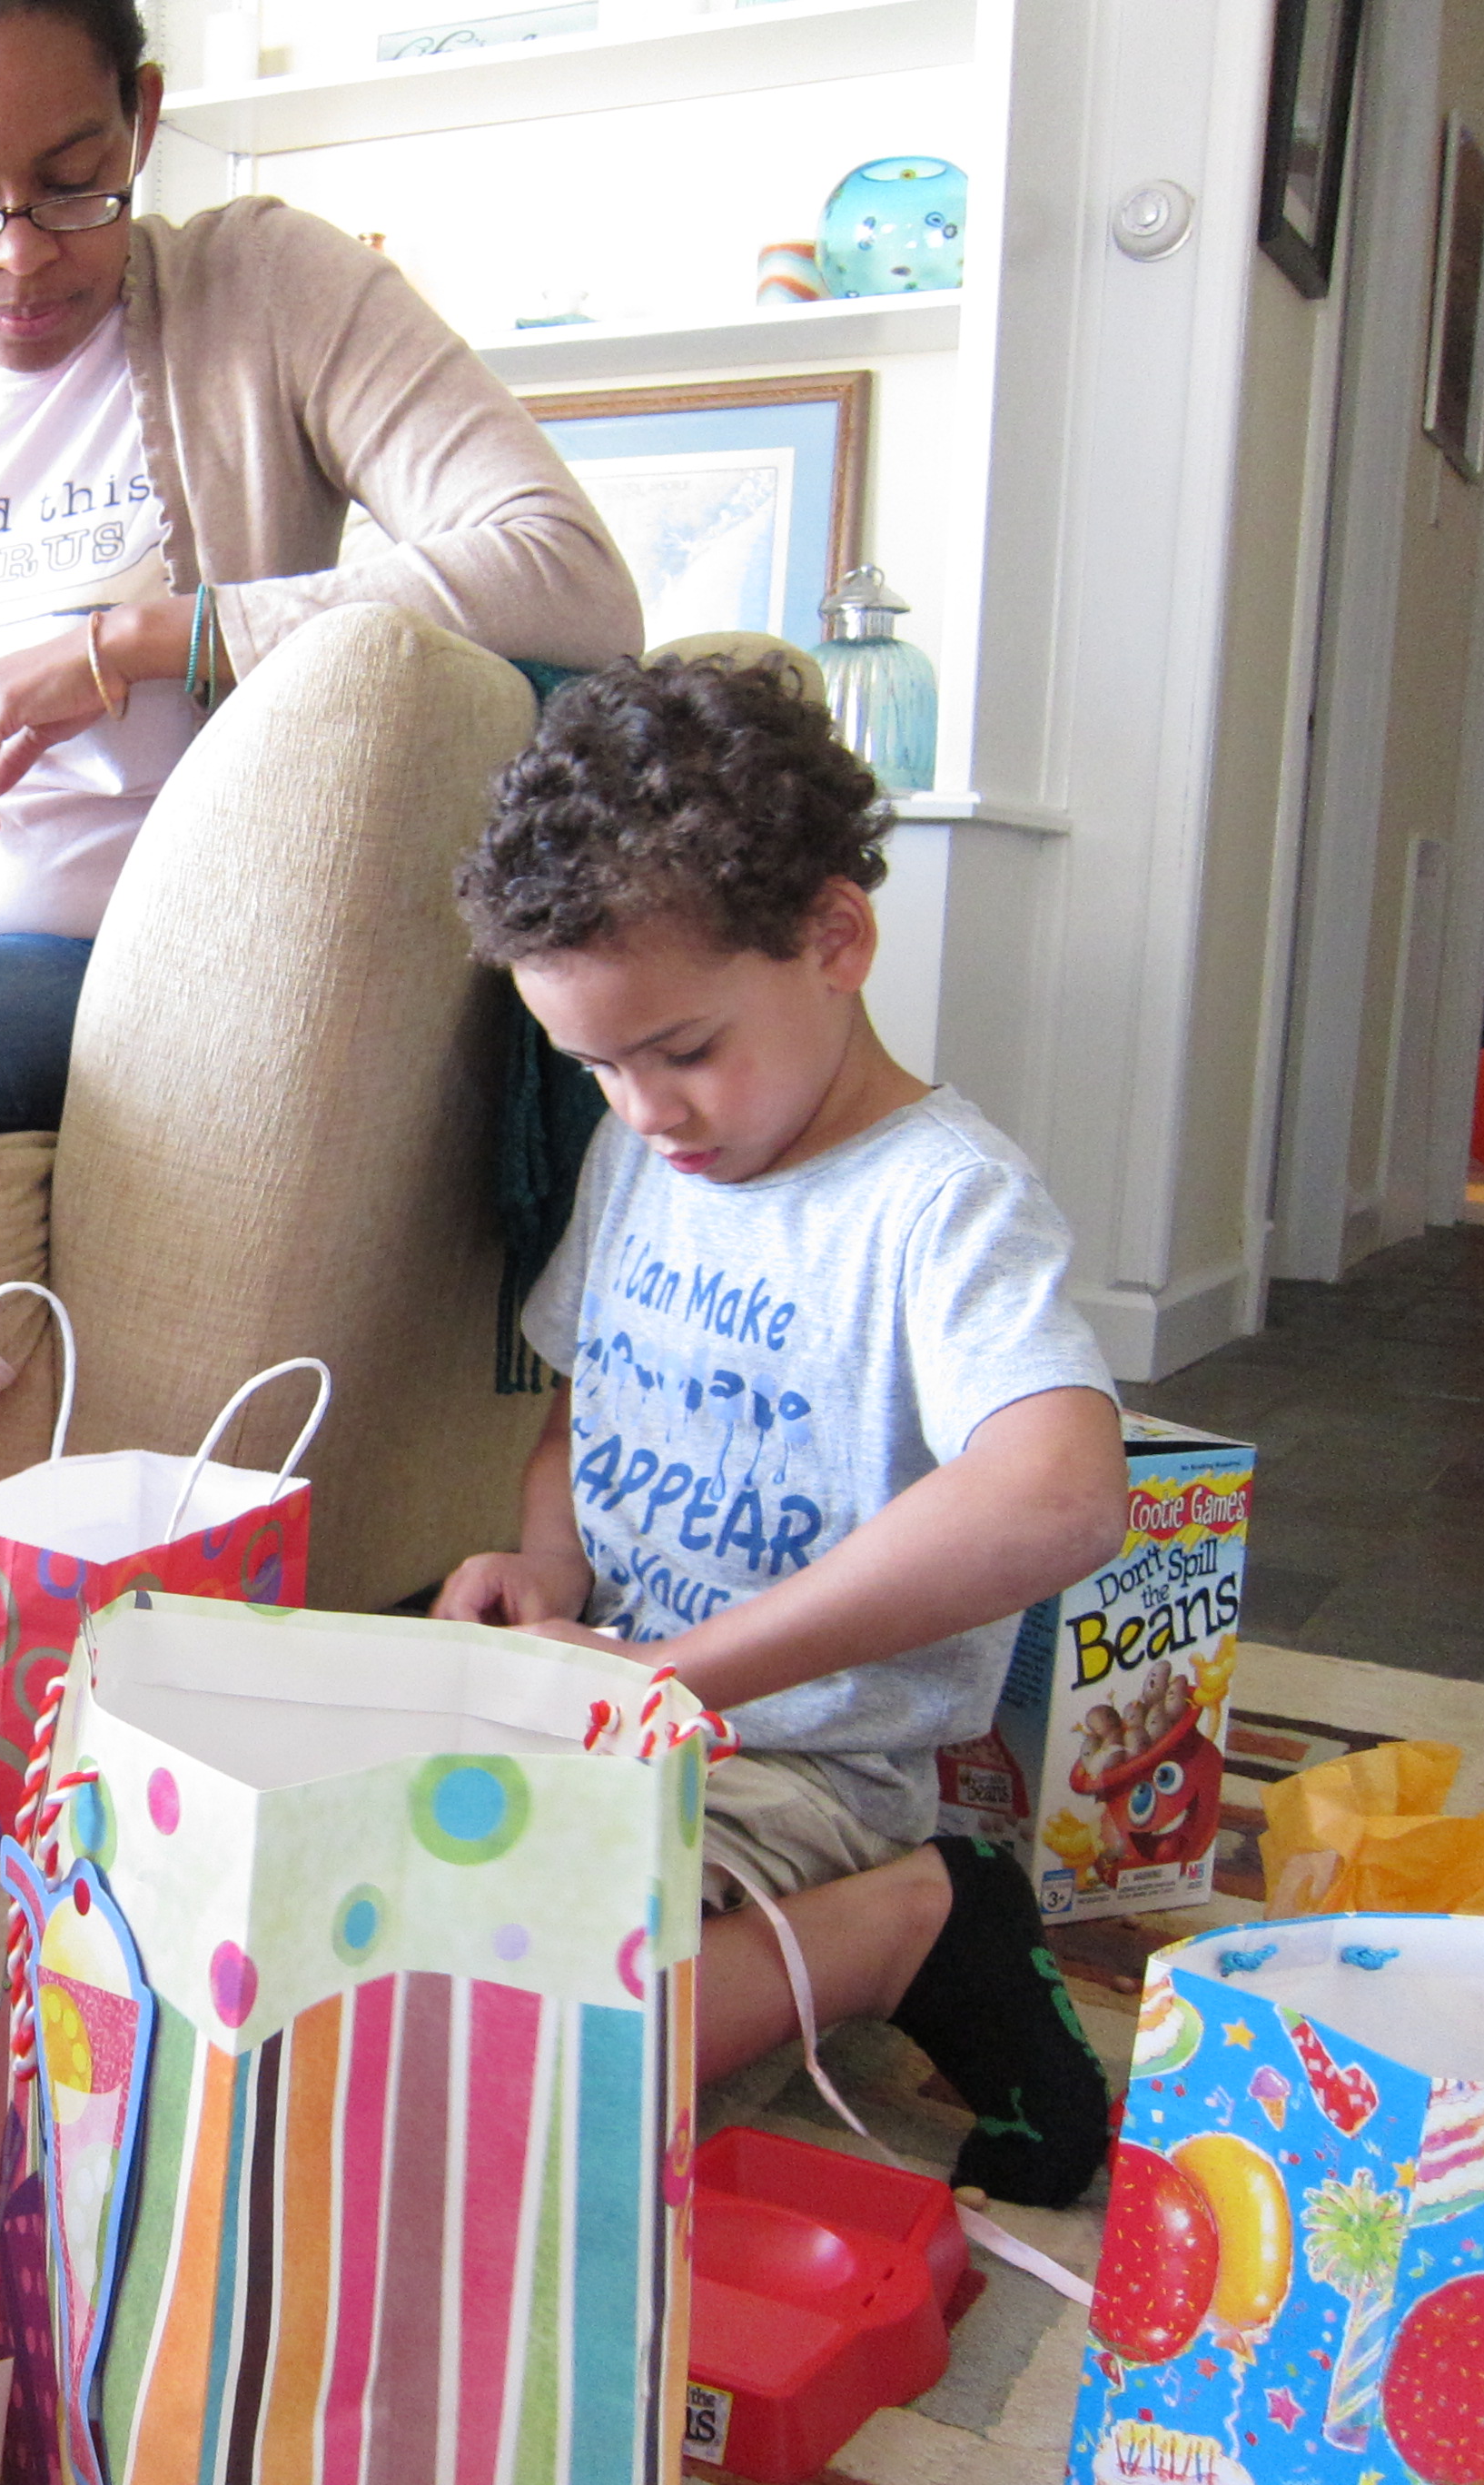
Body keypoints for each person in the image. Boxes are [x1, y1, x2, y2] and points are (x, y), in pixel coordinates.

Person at [0, 0, 641, 1181]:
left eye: (73, 184)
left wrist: (141, 641)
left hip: (124, 971)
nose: (19, 254)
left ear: (141, 119)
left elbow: (567, 574)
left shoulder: (266, 291)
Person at [440, 657, 1127, 2209]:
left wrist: (680, 1677)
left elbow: (1063, 1496)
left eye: (683, 1051)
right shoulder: (649, 1158)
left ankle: (915, 1921)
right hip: (620, 1714)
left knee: (519, 2075)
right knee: (354, 1909)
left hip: (811, 1770)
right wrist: (552, 1569)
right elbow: (580, 1401)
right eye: (596, 1069)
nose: (644, 1110)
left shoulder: (943, 1202)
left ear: (835, 939)